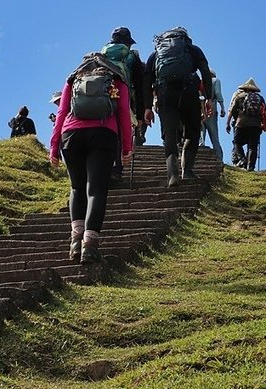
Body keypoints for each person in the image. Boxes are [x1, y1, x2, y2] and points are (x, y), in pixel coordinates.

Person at [50, 52, 134, 265]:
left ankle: (75, 242)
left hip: (71, 135)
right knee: (96, 190)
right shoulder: (116, 82)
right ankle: (90, 246)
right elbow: (123, 112)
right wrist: (127, 147)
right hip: (104, 134)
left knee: (77, 188)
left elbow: (61, 112)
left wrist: (53, 147)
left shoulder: (74, 79)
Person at [142, 27, 214, 187]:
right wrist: (209, 98)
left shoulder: (156, 54)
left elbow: (146, 80)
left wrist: (147, 107)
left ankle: (172, 174)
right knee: (193, 131)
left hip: (165, 95)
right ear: (185, 38)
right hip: (189, 92)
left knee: (169, 133)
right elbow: (205, 72)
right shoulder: (192, 49)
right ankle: (187, 171)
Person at [100, 26, 146, 183]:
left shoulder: (101, 54)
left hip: (101, 97)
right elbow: (140, 87)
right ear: (127, 42)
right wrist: (140, 115)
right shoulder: (132, 57)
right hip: (122, 97)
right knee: (119, 131)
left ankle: (101, 167)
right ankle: (116, 169)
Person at [226, 78, 266, 171]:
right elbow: (265, 113)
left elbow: (232, 110)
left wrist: (228, 123)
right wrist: (263, 125)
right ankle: (251, 167)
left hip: (241, 124)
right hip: (255, 125)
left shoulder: (239, 96)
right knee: (252, 146)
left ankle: (242, 160)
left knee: (237, 143)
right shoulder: (260, 99)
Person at [199, 69, 226, 162]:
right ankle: (218, 158)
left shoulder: (200, 82)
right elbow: (218, 93)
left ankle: (199, 156)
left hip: (200, 107)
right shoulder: (215, 81)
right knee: (214, 134)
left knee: (201, 133)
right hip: (211, 107)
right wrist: (222, 107)